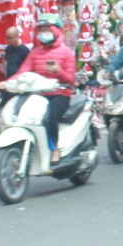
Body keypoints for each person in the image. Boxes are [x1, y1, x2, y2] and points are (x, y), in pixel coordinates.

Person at [9, 14, 77, 164]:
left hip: (60, 94)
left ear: (56, 31)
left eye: (47, 29)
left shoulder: (67, 53)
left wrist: (58, 72)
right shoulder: (35, 52)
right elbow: (23, 71)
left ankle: (54, 148)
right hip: (38, 95)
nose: (44, 33)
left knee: (49, 117)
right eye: (42, 30)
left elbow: (71, 80)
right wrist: (7, 82)